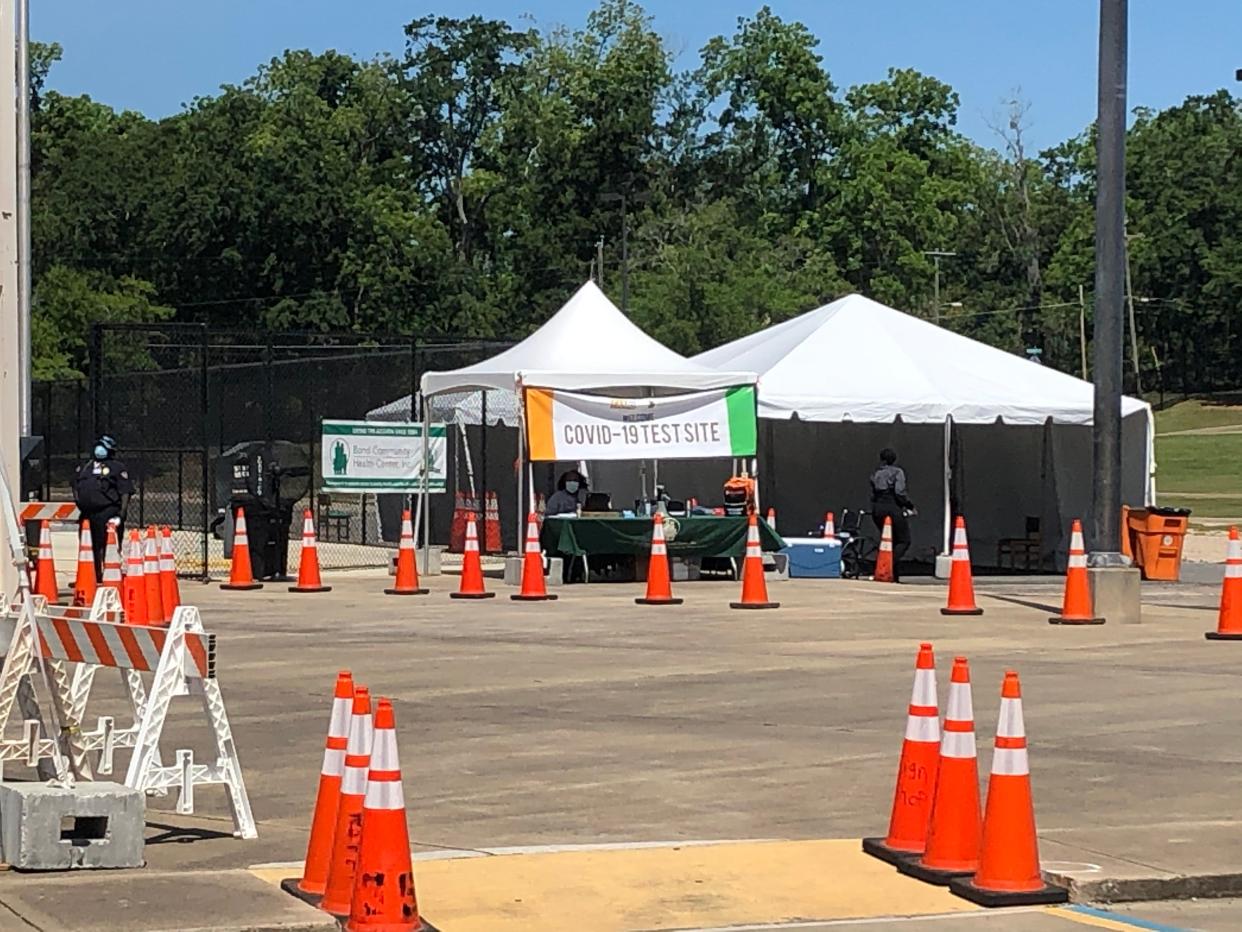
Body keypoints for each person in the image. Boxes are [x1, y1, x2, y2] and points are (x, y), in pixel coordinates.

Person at [72, 435, 134, 579]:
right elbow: (75, 485)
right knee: (89, 546)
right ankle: (92, 575)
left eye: (104, 446)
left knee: (108, 545)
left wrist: (122, 512)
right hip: (87, 513)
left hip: (107, 511)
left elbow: (125, 491)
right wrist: (79, 502)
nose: (100, 449)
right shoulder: (85, 467)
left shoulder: (116, 468)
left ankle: (110, 575)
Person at [870, 447, 914, 581]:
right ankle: (887, 565)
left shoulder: (876, 474)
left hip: (877, 509)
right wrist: (909, 505)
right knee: (904, 540)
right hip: (892, 508)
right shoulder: (897, 472)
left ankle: (894, 575)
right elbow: (899, 492)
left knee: (889, 540)